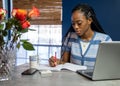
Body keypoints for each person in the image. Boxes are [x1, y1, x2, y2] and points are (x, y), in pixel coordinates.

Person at [49, 3, 112, 68]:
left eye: (79, 23)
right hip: (72, 78)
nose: (75, 27)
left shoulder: (105, 40)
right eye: (73, 24)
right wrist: (56, 62)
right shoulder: (70, 37)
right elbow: (65, 63)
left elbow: (109, 66)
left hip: (94, 78)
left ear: (89, 20)